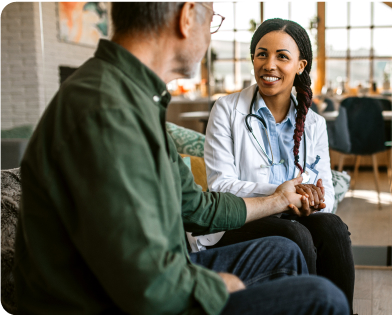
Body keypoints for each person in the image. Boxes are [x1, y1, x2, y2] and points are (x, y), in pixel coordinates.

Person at [13, 3, 350, 315]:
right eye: (212, 18)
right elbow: (141, 280)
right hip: (107, 300)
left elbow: (195, 206)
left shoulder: (134, 97)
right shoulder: (107, 110)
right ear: (187, 16)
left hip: (157, 272)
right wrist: (214, 286)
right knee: (324, 298)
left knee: (286, 250)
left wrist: (277, 199)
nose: (209, 34)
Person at [204, 18, 355, 312]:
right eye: (262, 54)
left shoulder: (314, 124)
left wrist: (313, 199)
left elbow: (328, 194)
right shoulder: (226, 110)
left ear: (300, 65)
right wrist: (282, 195)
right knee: (296, 234)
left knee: (332, 227)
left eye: (282, 56)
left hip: (295, 216)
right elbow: (220, 186)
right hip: (240, 221)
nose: (269, 64)